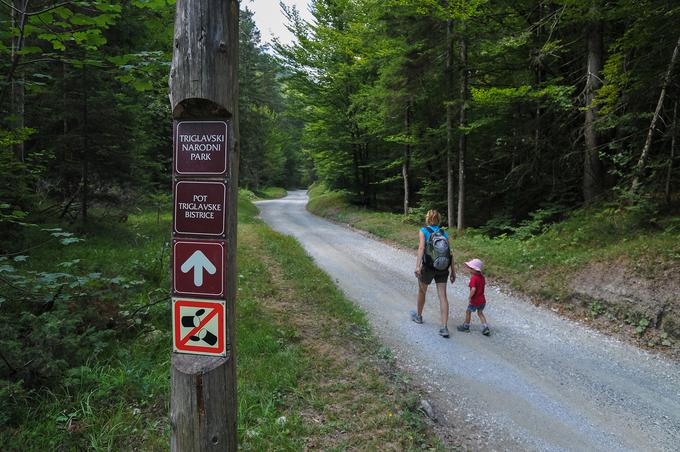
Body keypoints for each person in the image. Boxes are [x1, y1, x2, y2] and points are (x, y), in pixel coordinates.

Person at [411, 209, 456, 338]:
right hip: (443, 267)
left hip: (429, 266)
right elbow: (450, 253)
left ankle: (419, 316)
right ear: (438, 219)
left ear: (427, 219)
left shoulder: (424, 231)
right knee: (443, 296)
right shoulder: (444, 233)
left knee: (422, 291)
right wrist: (453, 271)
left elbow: (421, 248)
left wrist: (417, 266)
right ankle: (444, 327)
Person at [456, 258, 490, 336]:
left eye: (471, 268)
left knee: (468, 312)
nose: (469, 270)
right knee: (480, 313)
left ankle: (466, 326)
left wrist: (470, 297)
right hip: (482, 300)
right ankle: (485, 327)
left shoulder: (474, 278)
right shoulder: (482, 277)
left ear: (476, 270)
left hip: (475, 301)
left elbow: (473, 289)